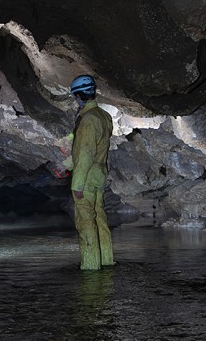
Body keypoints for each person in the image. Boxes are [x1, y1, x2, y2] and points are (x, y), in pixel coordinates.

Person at [68, 75, 114, 269]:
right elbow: (99, 147)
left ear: (78, 95)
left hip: (86, 179)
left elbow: (86, 153)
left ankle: (91, 268)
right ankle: (107, 261)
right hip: (99, 176)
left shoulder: (88, 119)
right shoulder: (104, 116)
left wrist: (77, 184)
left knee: (86, 222)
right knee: (100, 219)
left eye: (75, 97)